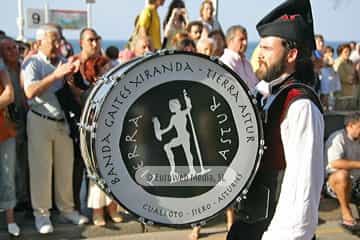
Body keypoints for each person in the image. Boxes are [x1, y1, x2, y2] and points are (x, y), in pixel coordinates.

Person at [227, 0, 324, 239]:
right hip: (249, 224)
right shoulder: (265, 94)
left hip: (276, 231)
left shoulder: (300, 105)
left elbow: (303, 184)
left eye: (267, 49)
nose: (258, 55)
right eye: (260, 48)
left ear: (291, 54)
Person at [23, 24, 88, 234]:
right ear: (40, 42)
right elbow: (30, 92)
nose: (58, 44)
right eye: (54, 40)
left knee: (65, 168)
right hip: (40, 120)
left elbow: (74, 93)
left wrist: (69, 79)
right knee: (41, 170)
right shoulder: (32, 63)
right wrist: (55, 75)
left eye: (59, 39)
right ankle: (41, 215)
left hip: (62, 121)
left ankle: (67, 210)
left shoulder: (62, 62)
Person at [82, 55, 123, 226]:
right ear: (95, 72)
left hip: (113, 136)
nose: (109, 70)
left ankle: (112, 208)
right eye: (104, 68)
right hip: (96, 139)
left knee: (114, 173)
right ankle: (97, 212)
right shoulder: (90, 93)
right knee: (97, 177)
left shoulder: (114, 88)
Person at [0, 37, 30, 209]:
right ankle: (16, 201)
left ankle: (25, 198)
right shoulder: (3, 72)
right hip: (9, 122)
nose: (13, 51)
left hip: (28, 119)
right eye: (8, 49)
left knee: (27, 162)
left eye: (15, 47)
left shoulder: (24, 67)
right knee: (12, 165)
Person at [325, 112, 360, 232]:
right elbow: (335, 163)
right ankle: (346, 215)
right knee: (342, 175)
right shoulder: (338, 138)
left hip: (356, 182)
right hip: (334, 183)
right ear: (350, 125)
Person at [0, 59, 20, 236]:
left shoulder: (1, 67)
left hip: (4, 130)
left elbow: (9, 95)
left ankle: (10, 220)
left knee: (7, 175)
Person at [220, 25, 259, 90]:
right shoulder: (225, 62)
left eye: (246, 39)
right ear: (230, 41)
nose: (245, 43)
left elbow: (255, 85)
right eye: (241, 39)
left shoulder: (246, 63)